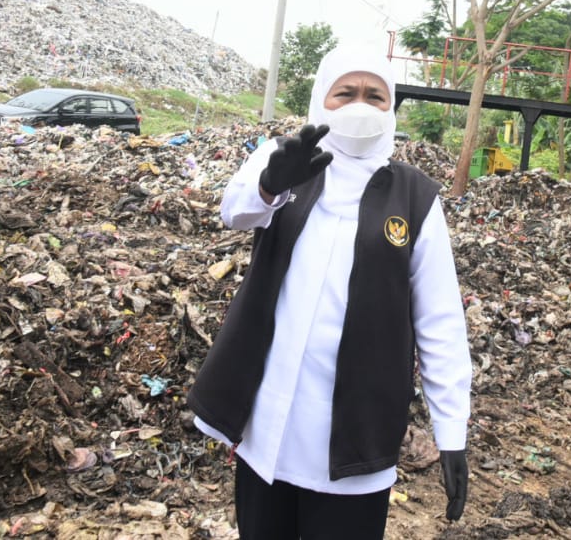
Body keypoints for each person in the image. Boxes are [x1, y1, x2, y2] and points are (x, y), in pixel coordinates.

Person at [189, 45, 472, 540]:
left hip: (354, 433)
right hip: (270, 424)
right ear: (323, 98)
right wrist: (269, 186)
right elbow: (233, 211)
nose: (360, 105)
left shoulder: (415, 195)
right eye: (346, 93)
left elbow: (439, 320)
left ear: (392, 108)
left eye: (375, 96)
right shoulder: (288, 159)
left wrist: (452, 431)